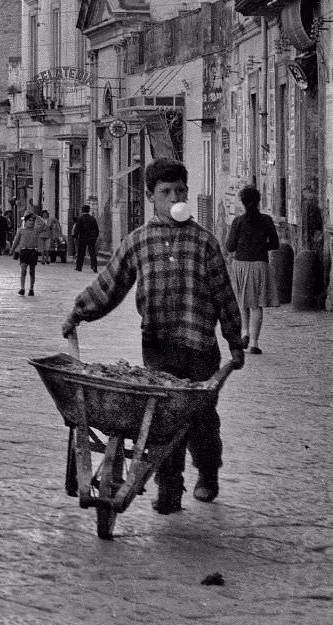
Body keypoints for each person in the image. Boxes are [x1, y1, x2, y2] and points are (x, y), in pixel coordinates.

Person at [62, 158, 245, 514]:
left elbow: (224, 296)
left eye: (180, 190)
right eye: (166, 192)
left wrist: (235, 342)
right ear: (151, 197)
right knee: (162, 424)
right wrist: (78, 312)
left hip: (200, 348)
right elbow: (110, 285)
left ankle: (208, 473)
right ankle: (169, 488)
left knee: (202, 420)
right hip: (159, 348)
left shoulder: (204, 243)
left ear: (187, 193)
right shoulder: (139, 242)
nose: (174, 197)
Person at [225, 185, 279, 355]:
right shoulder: (267, 220)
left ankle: (244, 333)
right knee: (256, 305)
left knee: (243, 303)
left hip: (241, 264)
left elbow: (230, 247)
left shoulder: (238, 221)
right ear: (258, 202)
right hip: (260, 264)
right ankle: (255, 342)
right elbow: (275, 244)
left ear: (242, 202)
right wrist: (261, 245)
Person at [9, 212, 40, 296]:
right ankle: (22, 288)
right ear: (25, 221)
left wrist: (37, 217)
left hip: (33, 252)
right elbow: (16, 241)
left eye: (33, 220)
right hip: (24, 252)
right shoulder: (21, 231)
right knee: (23, 270)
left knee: (32, 272)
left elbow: (44, 226)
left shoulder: (36, 230)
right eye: (30, 220)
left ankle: (31, 288)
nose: (32, 222)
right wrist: (12, 250)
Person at [72, 204, 99, 272]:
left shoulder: (80, 218)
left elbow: (77, 228)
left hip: (82, 238)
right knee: (92, 253)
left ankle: (79, 267)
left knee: (81, 253)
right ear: (89, 210)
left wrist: (75, 235)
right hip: (91, 238)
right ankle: (94, 266)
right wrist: (95, 237)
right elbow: (97, 229)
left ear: (82, 210)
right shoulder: (93, 218)